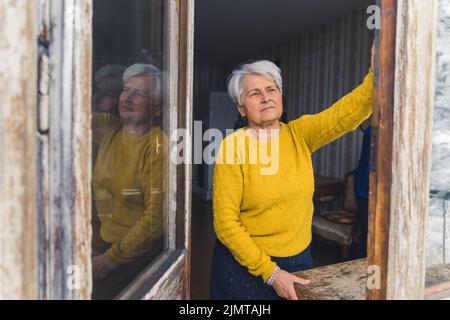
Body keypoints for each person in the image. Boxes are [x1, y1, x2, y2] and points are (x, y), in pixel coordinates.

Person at [211, 47, 374, 300]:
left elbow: (345, 115)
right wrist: (272, 274)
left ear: (280, 96)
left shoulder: (300, 133)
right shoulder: (232, 147)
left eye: (271, 89)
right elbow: (225, 224)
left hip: (299, 259)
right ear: (241, 108)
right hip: (245, 267)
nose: (266, 97)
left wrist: (378, 72)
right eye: (254, 93)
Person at [91, 63, 166, 290]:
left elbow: (154, 220)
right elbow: (71, 114)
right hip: (103, 243)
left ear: (157, 107)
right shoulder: (110, 128)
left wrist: (110, 260)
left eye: (139, 93)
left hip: (134, 253)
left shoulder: (158, 146)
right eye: (125, 90)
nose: (128, 98)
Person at [354, 119, 371, 259]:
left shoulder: (371, 131)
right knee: (368, 234)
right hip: (365, 189)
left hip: (363, 187)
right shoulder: (374, 131)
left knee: (367, 233)